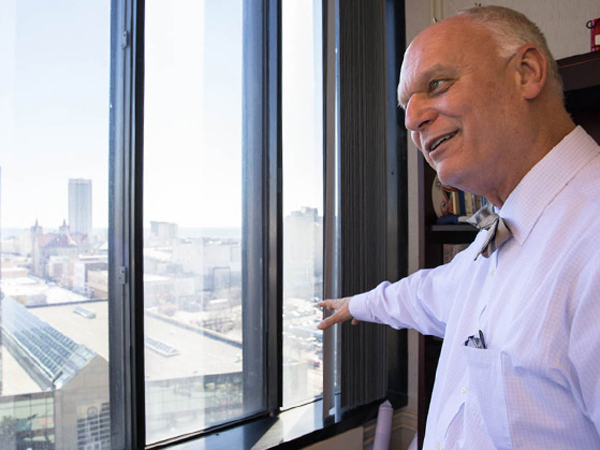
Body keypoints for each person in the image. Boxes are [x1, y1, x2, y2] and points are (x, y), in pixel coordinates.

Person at [318, 5, 600, 449]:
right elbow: (425, 294)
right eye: (406, 106)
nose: (411, 120)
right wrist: (356, 305)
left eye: (437, 85)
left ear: (526, 73)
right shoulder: (500, 238)